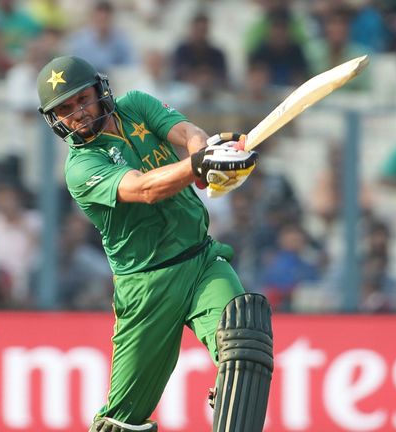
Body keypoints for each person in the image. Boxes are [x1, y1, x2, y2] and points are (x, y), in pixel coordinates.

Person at [36, 55, 273, 432]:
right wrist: (198, 166)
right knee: (121, 422)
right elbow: (144, 188)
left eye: (82, 99)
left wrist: (206, 157)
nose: (77, 113)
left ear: (99, 91)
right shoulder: (80, 167)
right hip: (146, 287)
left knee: (244, 340)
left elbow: (188, 132)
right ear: (55, 120)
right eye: (64, 109)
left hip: (202, 261)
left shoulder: (136, 105)